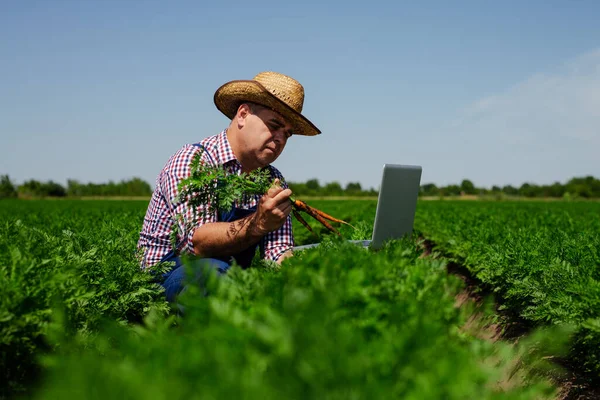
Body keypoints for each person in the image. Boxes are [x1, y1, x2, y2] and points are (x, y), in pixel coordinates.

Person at [137, 71, 322, 303]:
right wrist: (258, 222)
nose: (281, 139)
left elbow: (277, 252)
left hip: (225, 273)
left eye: (287, 134)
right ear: (243, 114)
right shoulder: (195, 162)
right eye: (274, 125)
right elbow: (198, 244)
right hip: (164, 276)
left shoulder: (272, 180)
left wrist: (307, 271)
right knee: (212, 273)